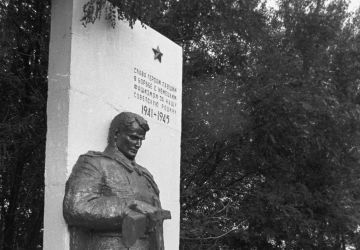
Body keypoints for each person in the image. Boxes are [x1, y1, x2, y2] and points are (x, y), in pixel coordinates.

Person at [63, 112, 170, 250]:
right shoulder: (94, 163)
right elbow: (76, 206)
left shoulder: (145, 176)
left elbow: (156, 230)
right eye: (133, 137)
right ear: (116, 135)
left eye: (141, 140)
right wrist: (131, 207)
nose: (138, 144)